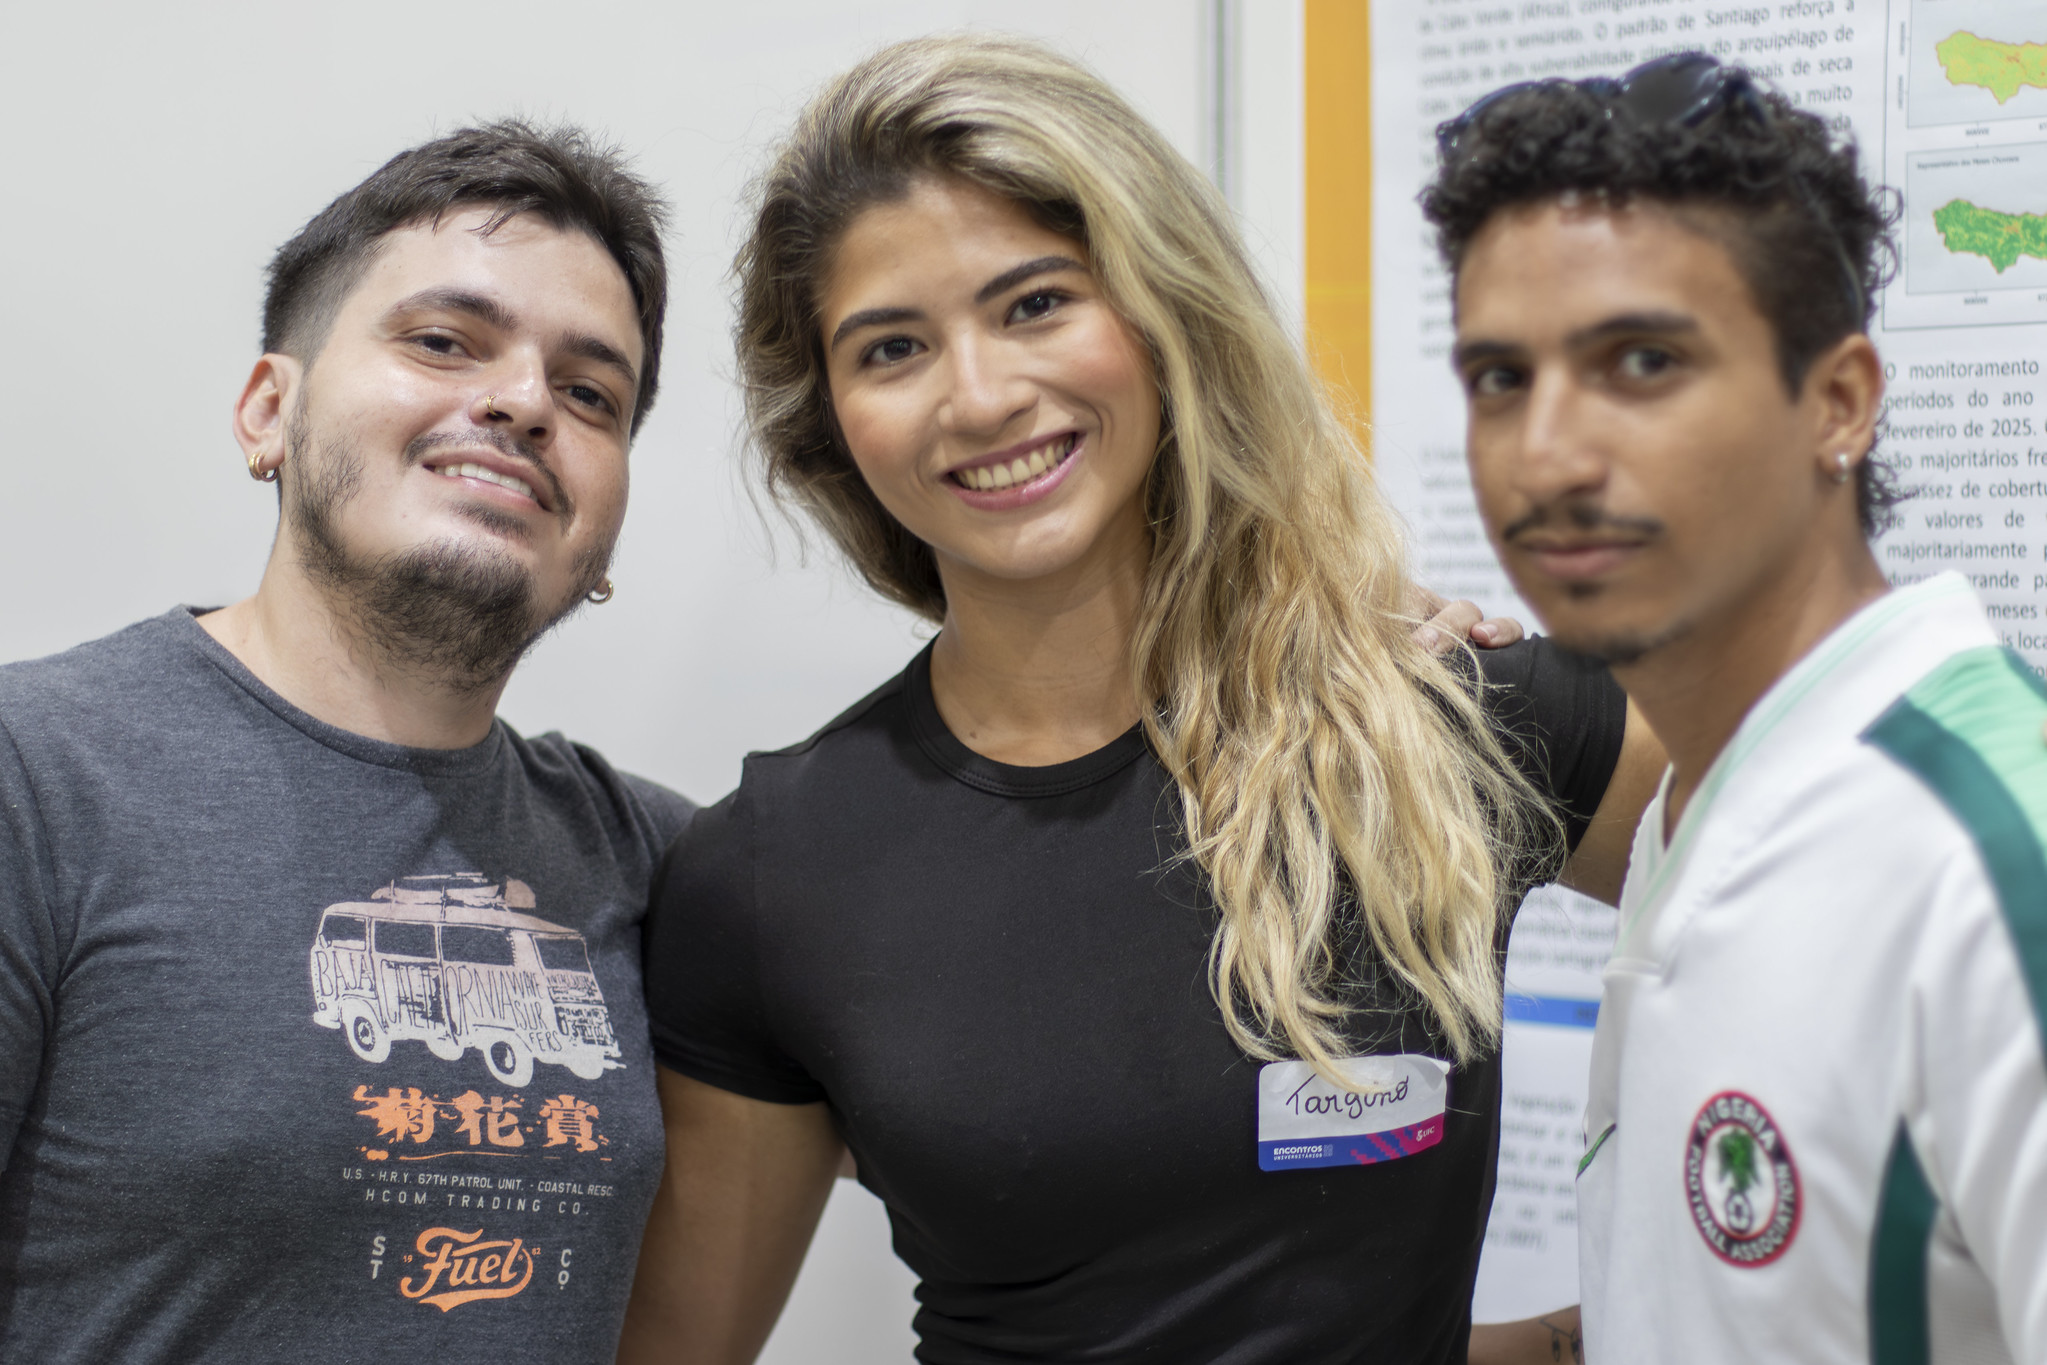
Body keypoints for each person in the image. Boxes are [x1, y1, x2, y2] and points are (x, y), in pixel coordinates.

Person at [623, 36, 1661, 1364]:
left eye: (1036, 303)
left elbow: (1848, 939)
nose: (981, 394)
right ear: (830, 417)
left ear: (1166, 315)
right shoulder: (769, 873)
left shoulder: (1450, 724)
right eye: (891, 346)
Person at [0, 122, 693, 1361]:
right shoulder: (32, 777)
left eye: (591, 394)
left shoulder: (656, 862)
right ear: (271, 409)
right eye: (443, 341)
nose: (523, 402)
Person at [1426, 52, 2047, 1362]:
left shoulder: (1992, 863)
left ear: (1836, 403)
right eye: (1497, 378)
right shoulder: (1698, 805)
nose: (1544, 453)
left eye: (1639, 361)